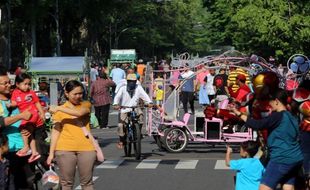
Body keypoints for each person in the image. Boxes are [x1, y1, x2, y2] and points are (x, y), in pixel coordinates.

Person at [230, 88, 303, 190]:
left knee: (264, 187)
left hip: (281, 158)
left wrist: (239, 114)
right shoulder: (292, 116)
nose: (269, 104)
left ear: (276, 101)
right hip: (296, 157)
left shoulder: (277, 116)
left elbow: (257, 124)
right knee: (288, 186)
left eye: (270, 102)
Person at [47, 80, 97, 190]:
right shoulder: (59, 111)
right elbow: (56, 132)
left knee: (87, 183)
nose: (78, 96)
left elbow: (79, 113)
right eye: (75, 94)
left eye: (80, 93)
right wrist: (51, 154)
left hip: (86, 148)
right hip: (64, 148)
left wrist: (58, 107)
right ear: (66, 93)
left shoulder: (86, 104)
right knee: (66, 183)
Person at [0, 66, 34, 189]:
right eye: (5, 83)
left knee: (28, 183)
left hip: (26, 149)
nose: (9, 85)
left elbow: (31, 115)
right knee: (10, 184)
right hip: (9, 151)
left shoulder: (17, 97)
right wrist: (20, 116)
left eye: (10, 82)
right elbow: (1, 122)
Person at [9, 73, 45, 163]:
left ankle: (26, 147)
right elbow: (14, 103)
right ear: (17, 84)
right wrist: (9, 104)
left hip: (32, 113)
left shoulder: (31, 92)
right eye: (25, 84)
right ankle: (34, 152)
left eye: (29, 84)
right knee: (29, 134)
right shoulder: (15, 93)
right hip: (26, 115)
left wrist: (42, 113)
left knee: (22, 129)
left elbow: (37, 103)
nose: (27, 86)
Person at [113, 74, 153, 149]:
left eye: (133, 81)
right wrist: (115, 104)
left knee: (141, 116)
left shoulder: (138, 88)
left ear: (136, 82)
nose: (132, 83)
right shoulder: (122, 88)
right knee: (121, 125)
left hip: (135, 108)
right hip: (124, 109)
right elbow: (117, 97)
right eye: (130, 81)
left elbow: (145, 96)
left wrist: (149, 102)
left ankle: (138, 133)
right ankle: (122, 139)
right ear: (127, 81)